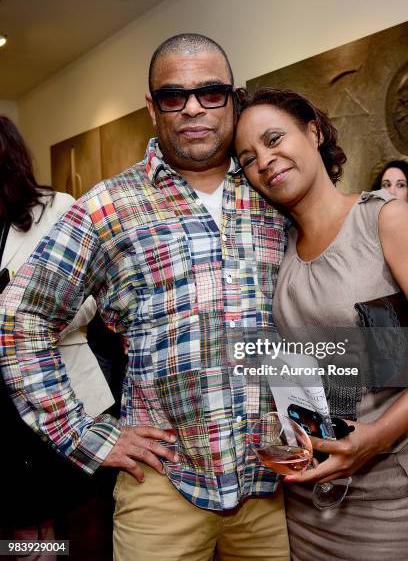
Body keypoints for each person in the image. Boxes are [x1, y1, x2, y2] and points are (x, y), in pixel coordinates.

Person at [0, 36, 290, 561]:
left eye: (211, 92)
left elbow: (320, 317)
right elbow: (20, 319)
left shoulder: (276, 191)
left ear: (234, 98)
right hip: (161, 483)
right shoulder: (108, 206)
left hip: (271, 483)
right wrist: (85, 434)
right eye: (174, 96)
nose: (194, 107)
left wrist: (332, 422)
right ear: (152, 109)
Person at [234, 87, 408, 561]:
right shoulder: (274, 245)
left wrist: (376, 438)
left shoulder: (385, 219)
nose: (265, 160)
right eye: (247, 157)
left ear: (314, 131)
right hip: (307, 492)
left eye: (274, 138)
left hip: (390, 489)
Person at [0, 116, 114, 559]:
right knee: (21, 534)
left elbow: (91, 300)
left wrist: (16, 308)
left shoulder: (57, 208)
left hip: (59, 389)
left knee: (78, 519)